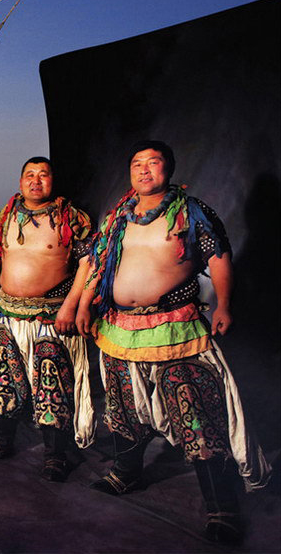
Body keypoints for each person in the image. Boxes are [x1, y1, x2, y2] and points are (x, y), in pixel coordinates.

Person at [75, 140, 270, 543]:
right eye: (137, 164)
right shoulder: (117, 218)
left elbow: (219, 258)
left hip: (176, 327)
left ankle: (221, 507)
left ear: (169, 169)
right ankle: (125, 474)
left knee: (197, 414)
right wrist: (81, 306)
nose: (144, 170)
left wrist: (224, 305)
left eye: (153, 162)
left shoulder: (191, 211)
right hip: (118, 329)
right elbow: (97, 264)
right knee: (123, 408)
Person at [0, 157, 94, 482]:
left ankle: (56, 455)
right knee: (0, 378)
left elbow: (89, 263)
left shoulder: (70, 216)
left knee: (52, 383)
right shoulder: (8, 213)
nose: (36, 181)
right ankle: (1, 440)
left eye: (43, 175)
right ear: (21, 180)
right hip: (6, 312)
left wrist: (71, 306)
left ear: (53, 181)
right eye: (30, 175)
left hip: (51, 315)